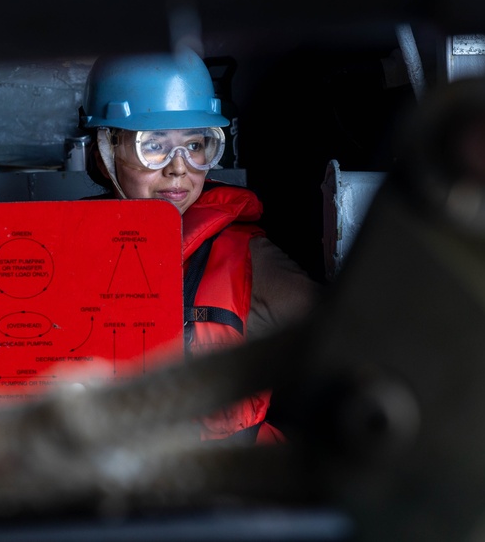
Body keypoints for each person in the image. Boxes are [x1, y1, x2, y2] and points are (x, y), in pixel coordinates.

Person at [78, 46, 323, 444]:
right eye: (153, 145)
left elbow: (353, 340)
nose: (178, 167)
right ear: (107, 156)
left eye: (195, 145)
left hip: (229, 491)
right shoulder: (64, 249)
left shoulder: (248, 260)